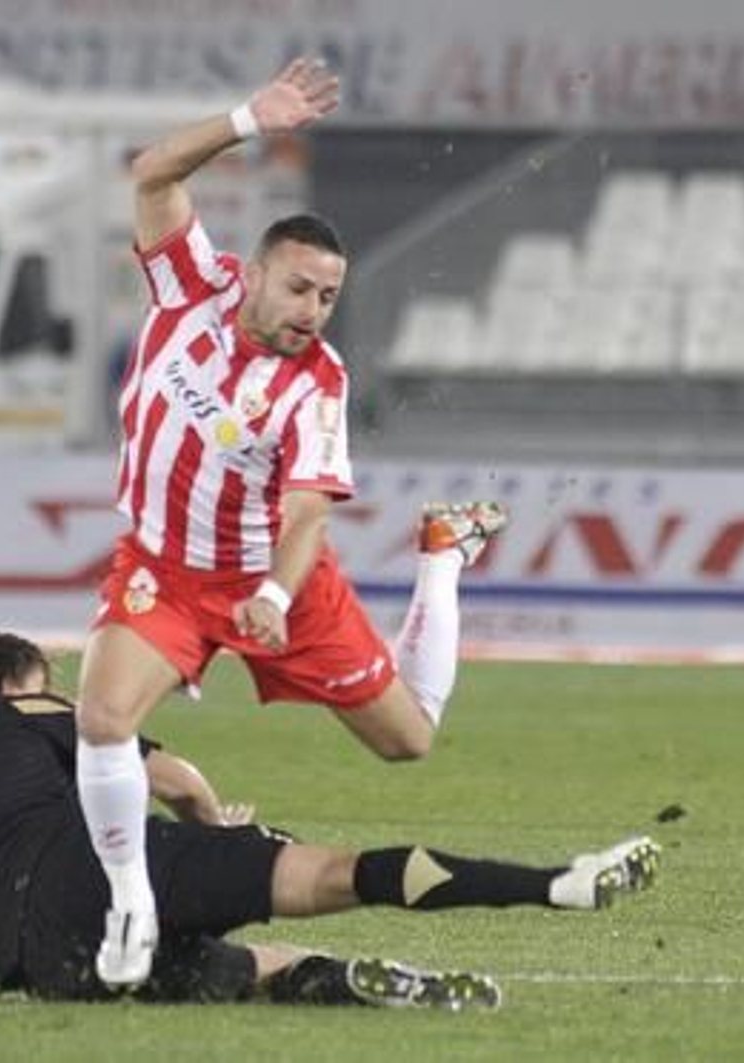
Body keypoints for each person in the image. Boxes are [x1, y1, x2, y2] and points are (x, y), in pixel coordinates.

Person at [74, 58, 510, 987]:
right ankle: (129, 905)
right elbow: (153, 173)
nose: (314, 310)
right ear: (255, 273)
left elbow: (308, 508)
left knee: (408, 740)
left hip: (272, 581)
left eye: (328, 297)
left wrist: (274, 591)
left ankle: (442, 559)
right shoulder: (195, 288)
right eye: (301, 288)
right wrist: (247, 118)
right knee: (102, 717)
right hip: (166, 570)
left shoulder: (319, 382)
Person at [0, 630, 661, 1006]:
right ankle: (558, 883)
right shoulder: (33, 710)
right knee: (336, 873)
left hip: (45, 968)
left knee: (239, 968)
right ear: (23, 677)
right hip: (100, 880)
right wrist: (214, 829)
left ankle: (354, 983)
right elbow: (173, 777)